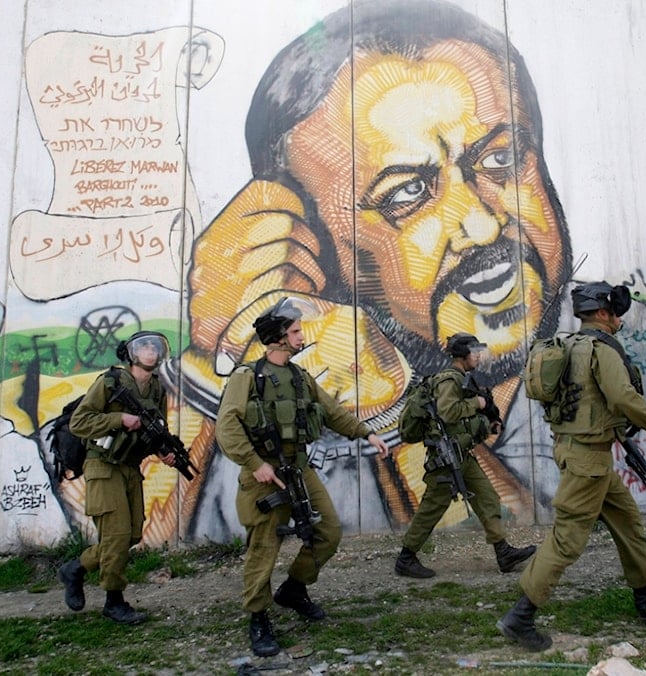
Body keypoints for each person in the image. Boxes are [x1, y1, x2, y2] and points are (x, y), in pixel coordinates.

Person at [173, 0, 573, 538]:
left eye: (501, 160)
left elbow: (515, 524)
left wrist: (395, 409)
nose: (480, 224)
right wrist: (206, 361)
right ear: (308, 246)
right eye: (408, 193)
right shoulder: (291, 391)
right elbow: (141, 541)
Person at [497, 282, 646, 651]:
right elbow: (622, 396)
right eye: (615, 311)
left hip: (582, 452)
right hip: (588, 460)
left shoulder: (568, 345)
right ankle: (520, 616)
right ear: (602, 313)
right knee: (568, 538)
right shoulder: (601, 350)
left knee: (627, 520)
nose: (619, 318)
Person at [214, 297, 391, 658]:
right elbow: (227, 426)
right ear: (277, 338)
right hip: (263, 473)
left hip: (298, 467)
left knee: (328, 530)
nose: (300, 336)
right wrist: (254, 463)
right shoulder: (248, 377)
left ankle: (293, 589)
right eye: (294, 331)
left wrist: (366, 433)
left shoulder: (299, 377)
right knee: (264, 546)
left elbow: (331, 412)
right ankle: (258, 616)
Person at [57, 331, 177, 624]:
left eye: (155, 346)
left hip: (129, 467)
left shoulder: (157, 390)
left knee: (133, 533)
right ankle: (114, 601)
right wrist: (118, 419)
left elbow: (154, 430)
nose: (151, 350)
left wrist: (163, 451)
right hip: (103, 466)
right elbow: (80, 421)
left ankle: (76, 568)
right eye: (144, 346)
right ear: (132, 353)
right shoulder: (110, 383)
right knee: (117, 535)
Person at [395, 333, 536, 578]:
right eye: (474, 352)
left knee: (487, 497)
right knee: (433, 506)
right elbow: (448, 413)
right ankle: (406, 558)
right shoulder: (449, 379)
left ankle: (503, 552)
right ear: (463, 355)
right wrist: (478, 404)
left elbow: (459, 420)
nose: (478, 356)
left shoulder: (462, 379)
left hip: (462, 455)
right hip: (446, 457)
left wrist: (485, 424)